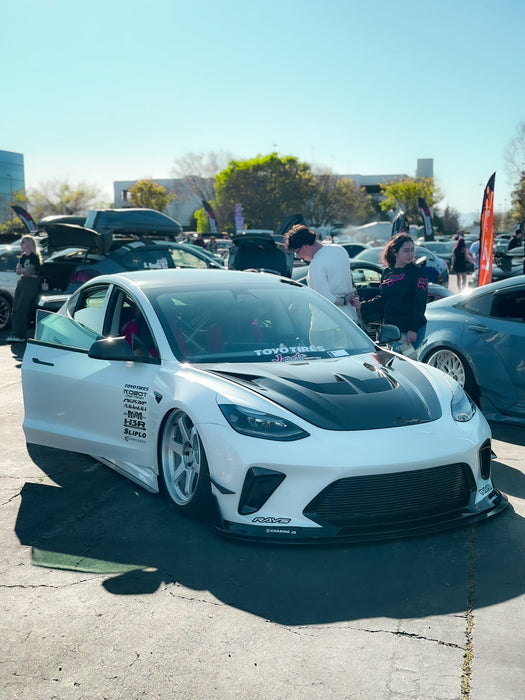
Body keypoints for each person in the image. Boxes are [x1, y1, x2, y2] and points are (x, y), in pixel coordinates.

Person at [360, 233, 428, 357]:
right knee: (394, 365)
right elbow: (383, 300)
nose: (410, 254)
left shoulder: (417, 273)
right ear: (394, 252)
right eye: (406, 251)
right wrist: (361, 306)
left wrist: (413, 329)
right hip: (391, 329)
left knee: (406, 366)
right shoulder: (387, 272)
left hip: (409, 330)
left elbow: (420, 302)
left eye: (412, 250)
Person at [284, 224, 360, 319]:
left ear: (305, 246)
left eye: (296, 252)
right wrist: (347, 300)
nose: (298, 257)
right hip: (349, 318)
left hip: (326, 323)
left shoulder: (316, 264)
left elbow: (324, 299)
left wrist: (344, 300)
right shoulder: (340, 250)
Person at [7, 235, 43, 342]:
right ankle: (14, 333)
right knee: (15, 308)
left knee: (22, 307)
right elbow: (18, 271)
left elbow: (28, 272)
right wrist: (24, 270)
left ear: (29, 244)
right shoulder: (23, 256)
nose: (21, 244)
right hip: (22, 281)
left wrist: (23, 270)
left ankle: (20, 335)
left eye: (23, 242)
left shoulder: (34, 257)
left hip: (31, 282)